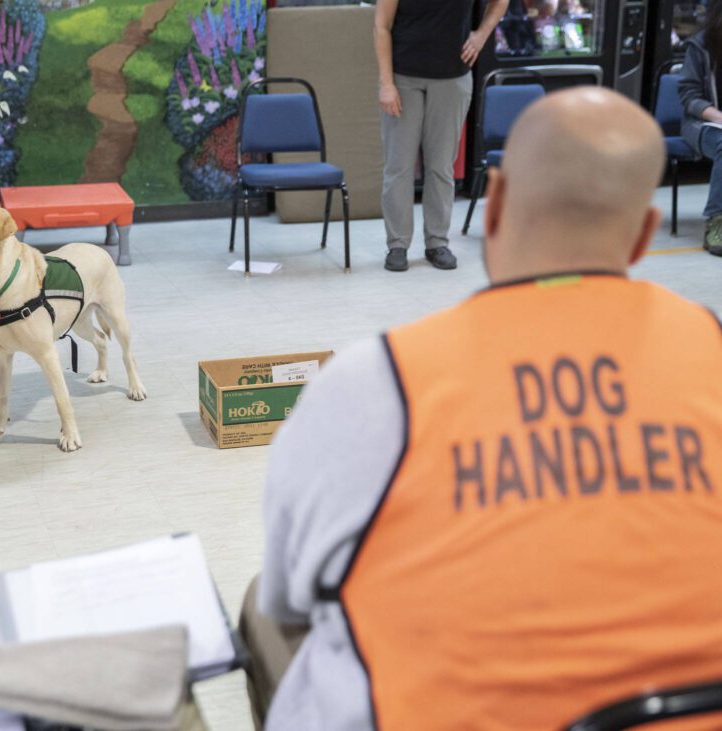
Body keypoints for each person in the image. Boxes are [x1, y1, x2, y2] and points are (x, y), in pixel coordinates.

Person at [241, 87, 722, 730]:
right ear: (642, 235)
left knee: (262, 607)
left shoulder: (375, 383)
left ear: (493, 205)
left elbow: (291, 595)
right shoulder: (712, 348)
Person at [375, 0, 509, 272]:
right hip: (403, 78)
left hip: (452, 78)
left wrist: (481, 34)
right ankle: (397, 244)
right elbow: (381, 25)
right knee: (398, 166)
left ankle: (437, 242)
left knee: (441, 166)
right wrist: (386, 83)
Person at [679, 0, 722, 256]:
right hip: (702, 123)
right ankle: (716, 221)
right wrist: (717, 116)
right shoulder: (701, 45)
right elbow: (689, 96)